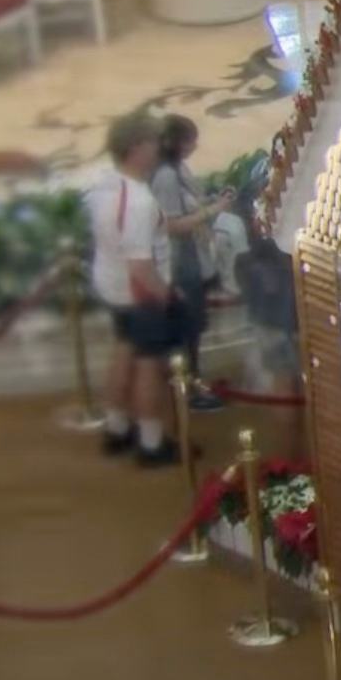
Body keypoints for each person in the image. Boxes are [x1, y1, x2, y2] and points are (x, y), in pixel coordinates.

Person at [90, 112, 180, 467]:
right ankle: (151, 442)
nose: (159, 148)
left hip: (112, 285)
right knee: (148, 366)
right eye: (153, 142)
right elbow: (141, 266)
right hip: (140, 294)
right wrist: (168, 296)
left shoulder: (104, 185)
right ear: (137, 148)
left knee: (123, 351)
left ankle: (115, 428)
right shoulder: (141, 201)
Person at [150, 115, 234, 410]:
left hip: (190, 258)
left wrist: (212, 200)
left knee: (194, 327)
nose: (194, 146)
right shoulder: (165, 176)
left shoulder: (174, 170)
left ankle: (191, 382)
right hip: (179, 262)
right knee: (188, 328)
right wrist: (214, 209)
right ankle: (189, 389)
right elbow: (171, 225)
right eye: (189, 140)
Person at [234, 198, 304, 457]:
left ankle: (290, 459)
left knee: (283, 381)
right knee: (297, 384)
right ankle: (297, 458)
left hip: (271, 308)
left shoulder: (269, 182)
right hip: (298, 305)